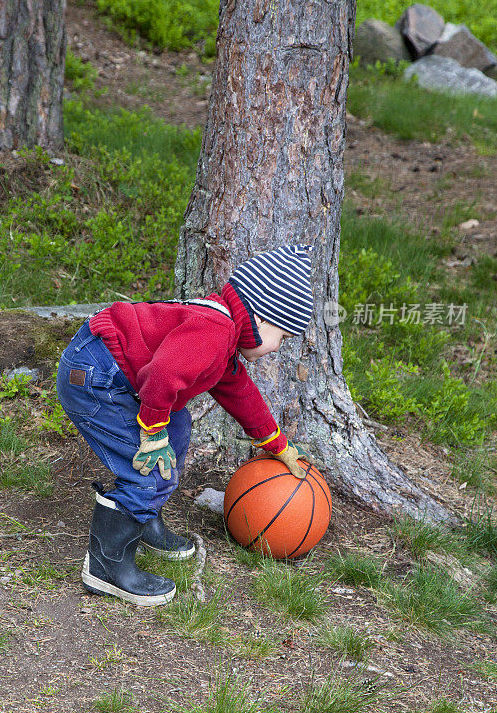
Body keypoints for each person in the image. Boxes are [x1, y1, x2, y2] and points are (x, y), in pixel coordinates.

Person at [56, 243, 315, 606]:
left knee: (177, 429)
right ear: (260, 318)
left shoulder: (223, 335)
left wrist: (277, 444)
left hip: (115, 370)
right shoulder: (213, 330)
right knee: (147, 466)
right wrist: (150, 432)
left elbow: (241, 394)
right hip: (95, 375)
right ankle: (106, 566)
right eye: (283, 337)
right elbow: (162, 375)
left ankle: (144, 520)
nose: (277, 347)